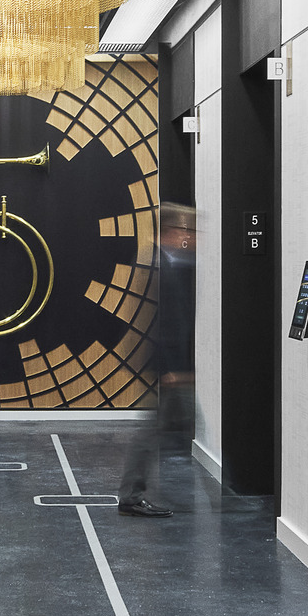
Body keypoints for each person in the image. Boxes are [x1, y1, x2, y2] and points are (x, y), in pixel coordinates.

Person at [119, 203, 197, 518]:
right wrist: (169, 369)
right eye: (185, 231)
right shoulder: (161, 267)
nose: (189, 237)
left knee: (160, 428)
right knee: (152, 432)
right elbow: (160, 322)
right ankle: (130, 496)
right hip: (167, 368)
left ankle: (131, 495)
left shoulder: (163, 263)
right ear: (172, 232)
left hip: (169, 367)